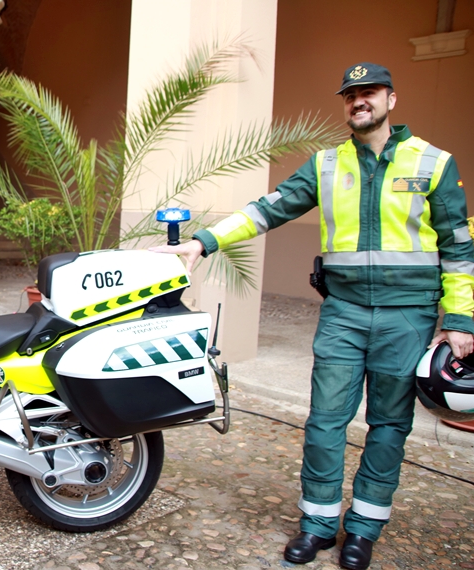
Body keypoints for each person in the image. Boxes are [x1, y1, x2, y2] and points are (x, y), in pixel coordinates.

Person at [152, 63, 474, 570]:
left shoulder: (432, 163)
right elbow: (268, 209)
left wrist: (460, 320)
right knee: (325, 422)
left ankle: (364, 529)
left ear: (392, 98)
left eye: (369, 92)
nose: (358, 101)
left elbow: (459, 248)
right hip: (343, 313)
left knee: (389, 425)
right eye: (350, 95)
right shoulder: (326, 165)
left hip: (407, 318)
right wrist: (203, 242)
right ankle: (318, 525)